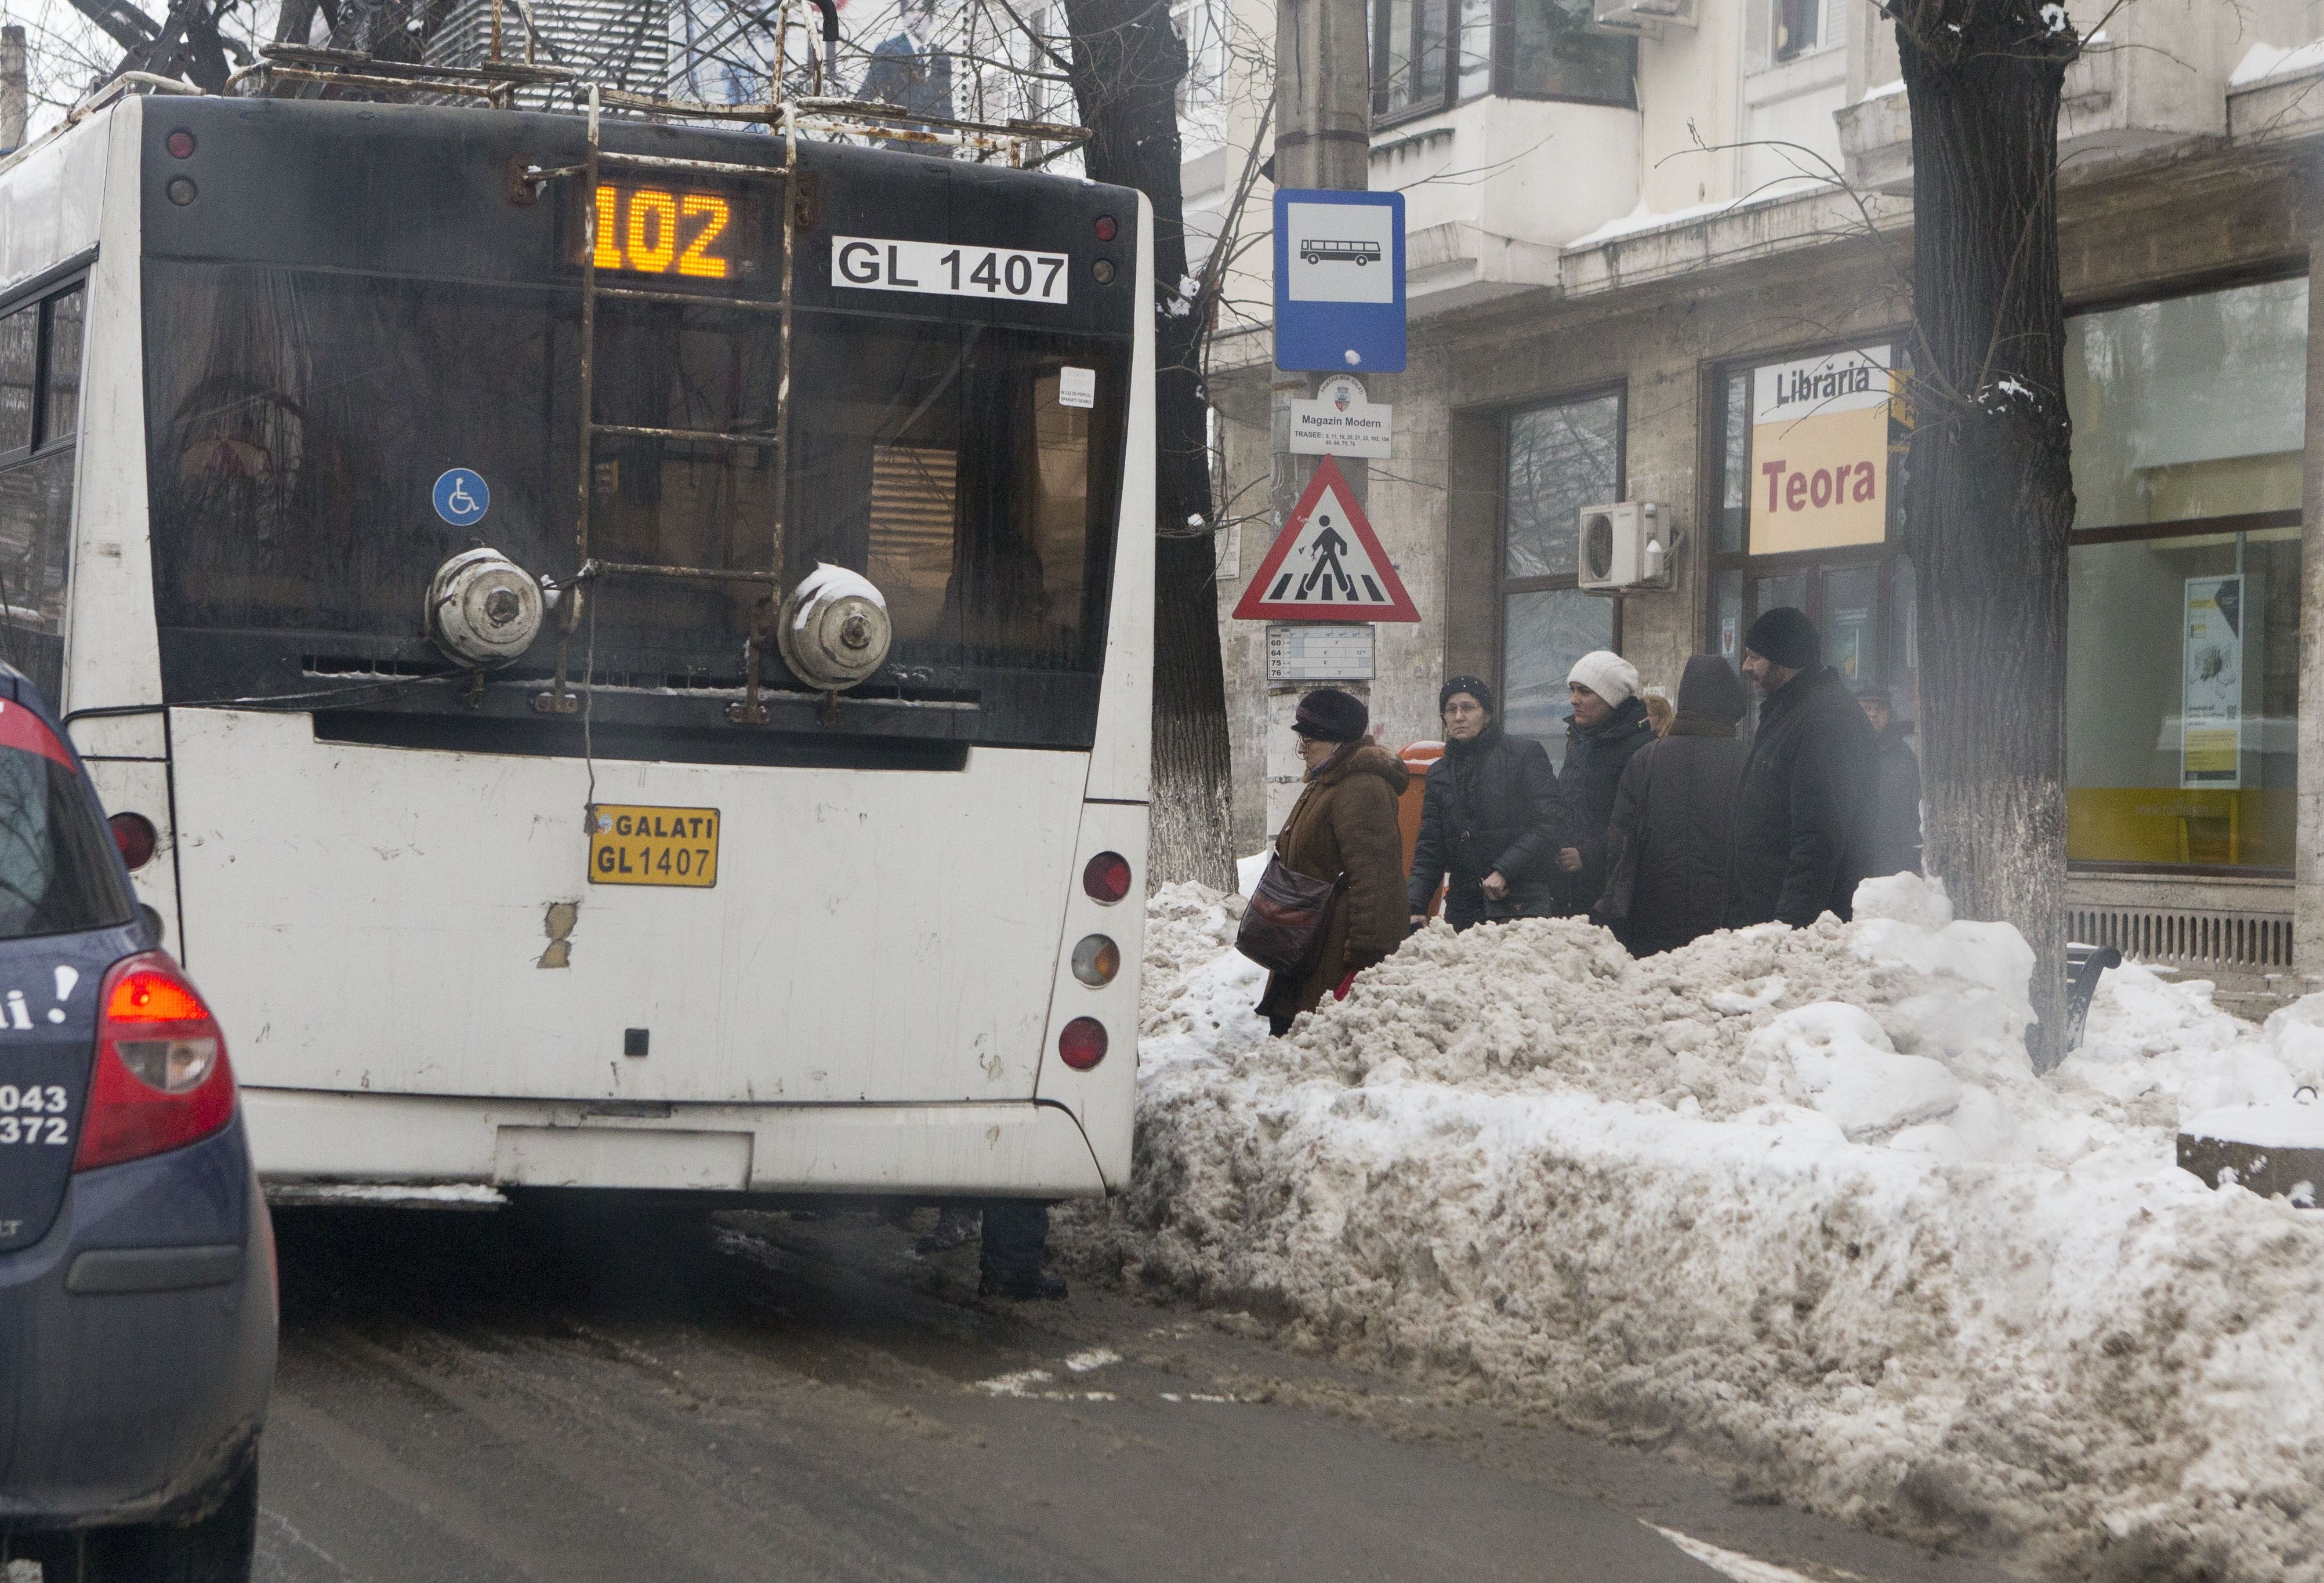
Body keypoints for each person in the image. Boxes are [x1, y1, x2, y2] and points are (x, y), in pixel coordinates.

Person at [1257, 688, 1410, 1037]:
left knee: (1314, 1046)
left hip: (1333, 952)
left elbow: (1377, 880)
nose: (1303, 750)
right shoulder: (1328, 781)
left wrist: (1366, 960)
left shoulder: (1361, 787)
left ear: (1337, 741)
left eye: (1309, 740)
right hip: (1309, 942)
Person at [1727, 608, 1877, 928]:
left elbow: (1819, 837)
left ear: (1784, 661)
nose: (1746, 667)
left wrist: (1789, 928)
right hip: (1767, 910)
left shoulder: (1826, 721)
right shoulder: (1791, 710)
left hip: (1792, 922)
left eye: (1755, 657)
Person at [1594, 655, 1751, 956]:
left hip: (1651, 913)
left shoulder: (1646, 759)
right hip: (1725, 920)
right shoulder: (1748, 762)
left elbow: (1619, 840)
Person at [1406, 676, 1562, 932]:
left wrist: (1505, 870)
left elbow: (1551, 822)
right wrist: (1415, 905)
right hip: (1464, 908)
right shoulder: (1440, 773)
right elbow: (1430, 846)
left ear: (1487, 714)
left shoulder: (1523, 755)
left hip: (1521, 904)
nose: (1459, 716)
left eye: (1468, 707)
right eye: (1451, 709)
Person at [1554, 651, 1654, 917]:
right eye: (1573, 690)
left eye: (1585, 691)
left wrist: (1588, 855)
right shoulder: (1579, 738)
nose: (1574, 700)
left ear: (1612, 698)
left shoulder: (1640, 748)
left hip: (1612, 886)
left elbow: (1638, 823)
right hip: (1570, 881)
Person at [1857, 685, 1924, 877]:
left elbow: (1914, 806)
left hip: (1892, 855)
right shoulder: (1842, 749)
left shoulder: (1902, 754)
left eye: (1880, 709)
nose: (1873, 714)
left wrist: (1913, 856)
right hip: (1852, 852)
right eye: (1867, 708)